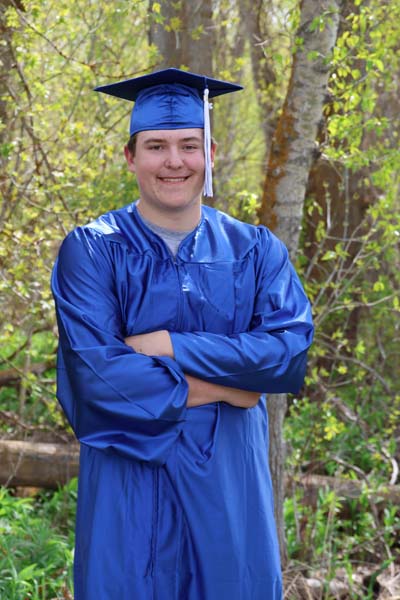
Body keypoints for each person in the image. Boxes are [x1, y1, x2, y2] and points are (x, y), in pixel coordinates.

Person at [51, 67, 313, 600]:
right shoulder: (93, 251)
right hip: (129, 494)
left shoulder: (255, 251)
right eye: (156, 146)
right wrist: (228, 387)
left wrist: (171, 345)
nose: (174, 161)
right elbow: (96, 380)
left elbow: (286, 352)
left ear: (210, 154)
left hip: (230, 493)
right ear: (131, 157)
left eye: (189, 145)